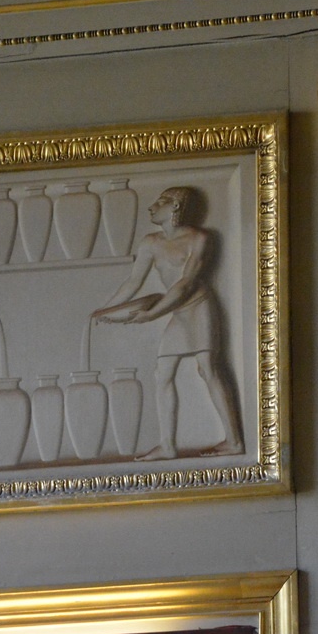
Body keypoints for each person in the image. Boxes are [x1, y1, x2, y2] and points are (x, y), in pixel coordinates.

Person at [91, 186, 242, 460]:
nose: (152, 207)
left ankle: (234, 441)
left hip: (198, 308)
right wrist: (107, 310)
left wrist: (152, 314)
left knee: (207, 369)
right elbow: (133, 282)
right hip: (176, 312)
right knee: (163, 374)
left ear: (175, 206)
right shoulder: (150, 242)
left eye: (160, 202)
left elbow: (185, 285)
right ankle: (168, 446)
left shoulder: (199, 238)